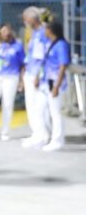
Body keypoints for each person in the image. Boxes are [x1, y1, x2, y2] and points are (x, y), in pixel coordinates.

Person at [36, 21, 71, 151]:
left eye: (46, 29)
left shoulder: (61, 45)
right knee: (39, 109)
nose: (44, 31)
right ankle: (43, 136)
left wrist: (57, 86)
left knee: (55, 113)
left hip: (55, 83)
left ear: (51, 30)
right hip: (46, 82)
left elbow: (63, 66)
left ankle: (57, 140)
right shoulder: (50, 43)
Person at [20, 7, 51, 148]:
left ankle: (42, 135)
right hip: (31, 72)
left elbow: (42, 56)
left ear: (32, 19)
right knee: (32, 105)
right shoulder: (36, 33)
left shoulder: (43, 33)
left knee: (37, 106)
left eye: (26, 19)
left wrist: (38, 75)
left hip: (36, 75)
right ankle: (37, 133)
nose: (25, 22)